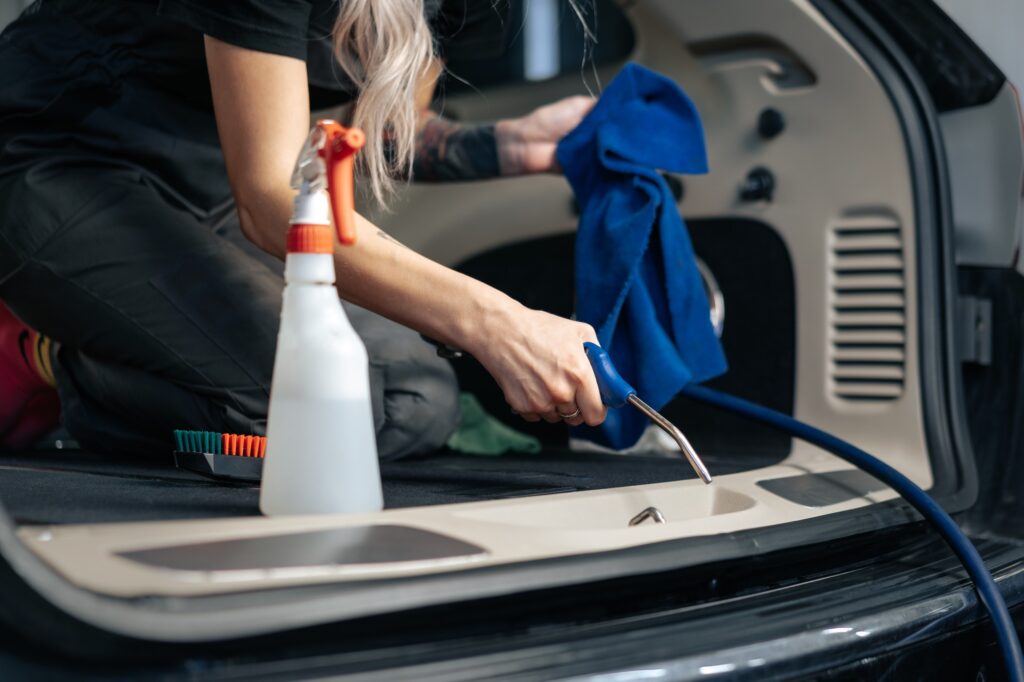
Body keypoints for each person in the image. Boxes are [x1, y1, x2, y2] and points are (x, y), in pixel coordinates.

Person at [0, 0, 607, 459]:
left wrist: (512, 144)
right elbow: (271, 201)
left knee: (418, 400)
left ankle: (127, 343)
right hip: (54, 161)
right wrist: (496, 323)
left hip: (209, 191)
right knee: (302, 416)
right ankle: (58, 361)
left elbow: (394, 131)